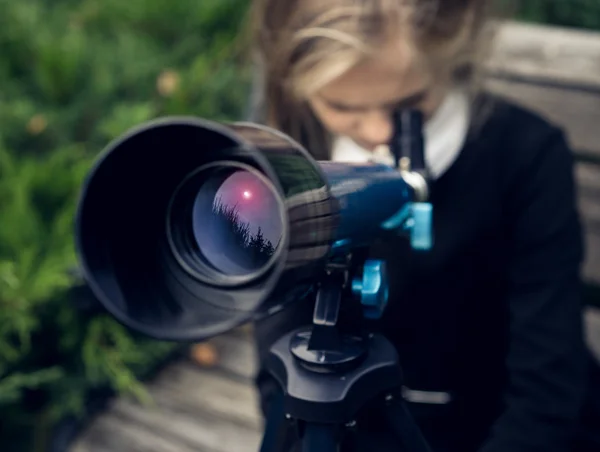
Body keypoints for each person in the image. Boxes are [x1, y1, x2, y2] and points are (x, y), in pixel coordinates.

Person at [245, 0, 595, 451]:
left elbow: (547, 384)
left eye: (408, 104)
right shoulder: (294, 159)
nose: (377, 133)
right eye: (343, 106)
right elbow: (279, 364)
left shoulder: (525, 156)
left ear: (455, 49)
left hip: (503, 424)